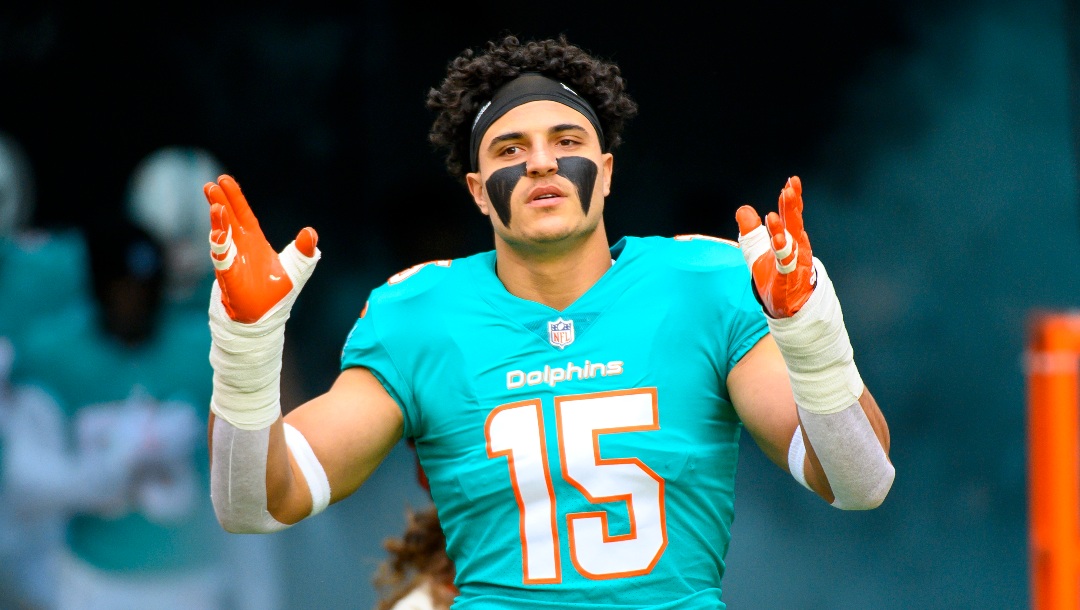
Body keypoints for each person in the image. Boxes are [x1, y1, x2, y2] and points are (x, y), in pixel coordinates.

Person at [202, 34, 895, 608]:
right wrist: (245, 345)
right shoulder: (420, 315)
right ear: (476, 191)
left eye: (566, 139)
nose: (540, 161)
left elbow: (859, 482)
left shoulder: (702, 285)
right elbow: (256, 503)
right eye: (509, 149)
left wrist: (812, 336)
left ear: (607, 170)